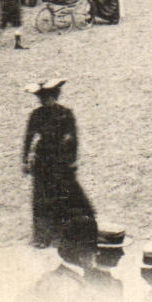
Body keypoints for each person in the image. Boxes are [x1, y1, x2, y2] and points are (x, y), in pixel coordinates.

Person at [22, 78, 95, 250]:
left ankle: (68, 231)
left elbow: (73, 138)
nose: (46, 101)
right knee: (42, 198)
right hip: (43, 161)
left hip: (61, 159)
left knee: (66, 195)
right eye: (43, 98)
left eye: (49, 97)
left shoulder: (65, 113)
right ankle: (42, 236)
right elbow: (29, 138)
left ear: (55, 97)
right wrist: (25, 160)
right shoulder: (37, 115)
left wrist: (72, 159)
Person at [30, 212, 98, 302]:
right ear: (81, 256)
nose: (97, 253)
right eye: (94, 250)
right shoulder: (72, 288)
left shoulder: (48, 277)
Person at [84, 225, 129, 301]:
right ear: (99, 251)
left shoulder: (116, 284)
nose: (122, 254)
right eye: (116, 250)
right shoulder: (84, 283)